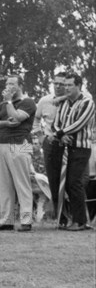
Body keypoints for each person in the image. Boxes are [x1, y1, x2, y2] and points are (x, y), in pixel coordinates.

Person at [0, 75, 37, 232]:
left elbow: (17, 118)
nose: (8, 86)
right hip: (0, 145)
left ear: (20, 86)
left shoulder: (28, 102)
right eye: (7, 83)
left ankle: (26, 220)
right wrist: (4, 123)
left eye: (12, 84)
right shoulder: (2, 104)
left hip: (20, 144)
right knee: (4, 185)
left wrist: (9, 102)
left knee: (22, 183)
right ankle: (6, 220)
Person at [50, 73, 95, 231]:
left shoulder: (87, 102)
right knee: (65, 183)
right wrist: (60, 135)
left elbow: (80, 123)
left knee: (74, 182)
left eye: (70, 85)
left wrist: (59, 134)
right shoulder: (63, 103)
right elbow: (55, 123)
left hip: (81, 148)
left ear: (79, 86)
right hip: (66, 148)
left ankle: (80, 221)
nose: (66, 88)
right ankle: (75, 219)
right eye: (65, 85)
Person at [33, 72, 68, 210]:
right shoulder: (44, 101)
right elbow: (35, 119)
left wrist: (64, 98)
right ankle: (60, 216)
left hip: (70, 144)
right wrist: (41, 137)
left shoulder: (76, 101)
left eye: (62, 84)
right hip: (51, 144)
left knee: (72, 180)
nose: (58, 86)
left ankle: (74, 215)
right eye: (56, 83)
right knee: (53, 180)